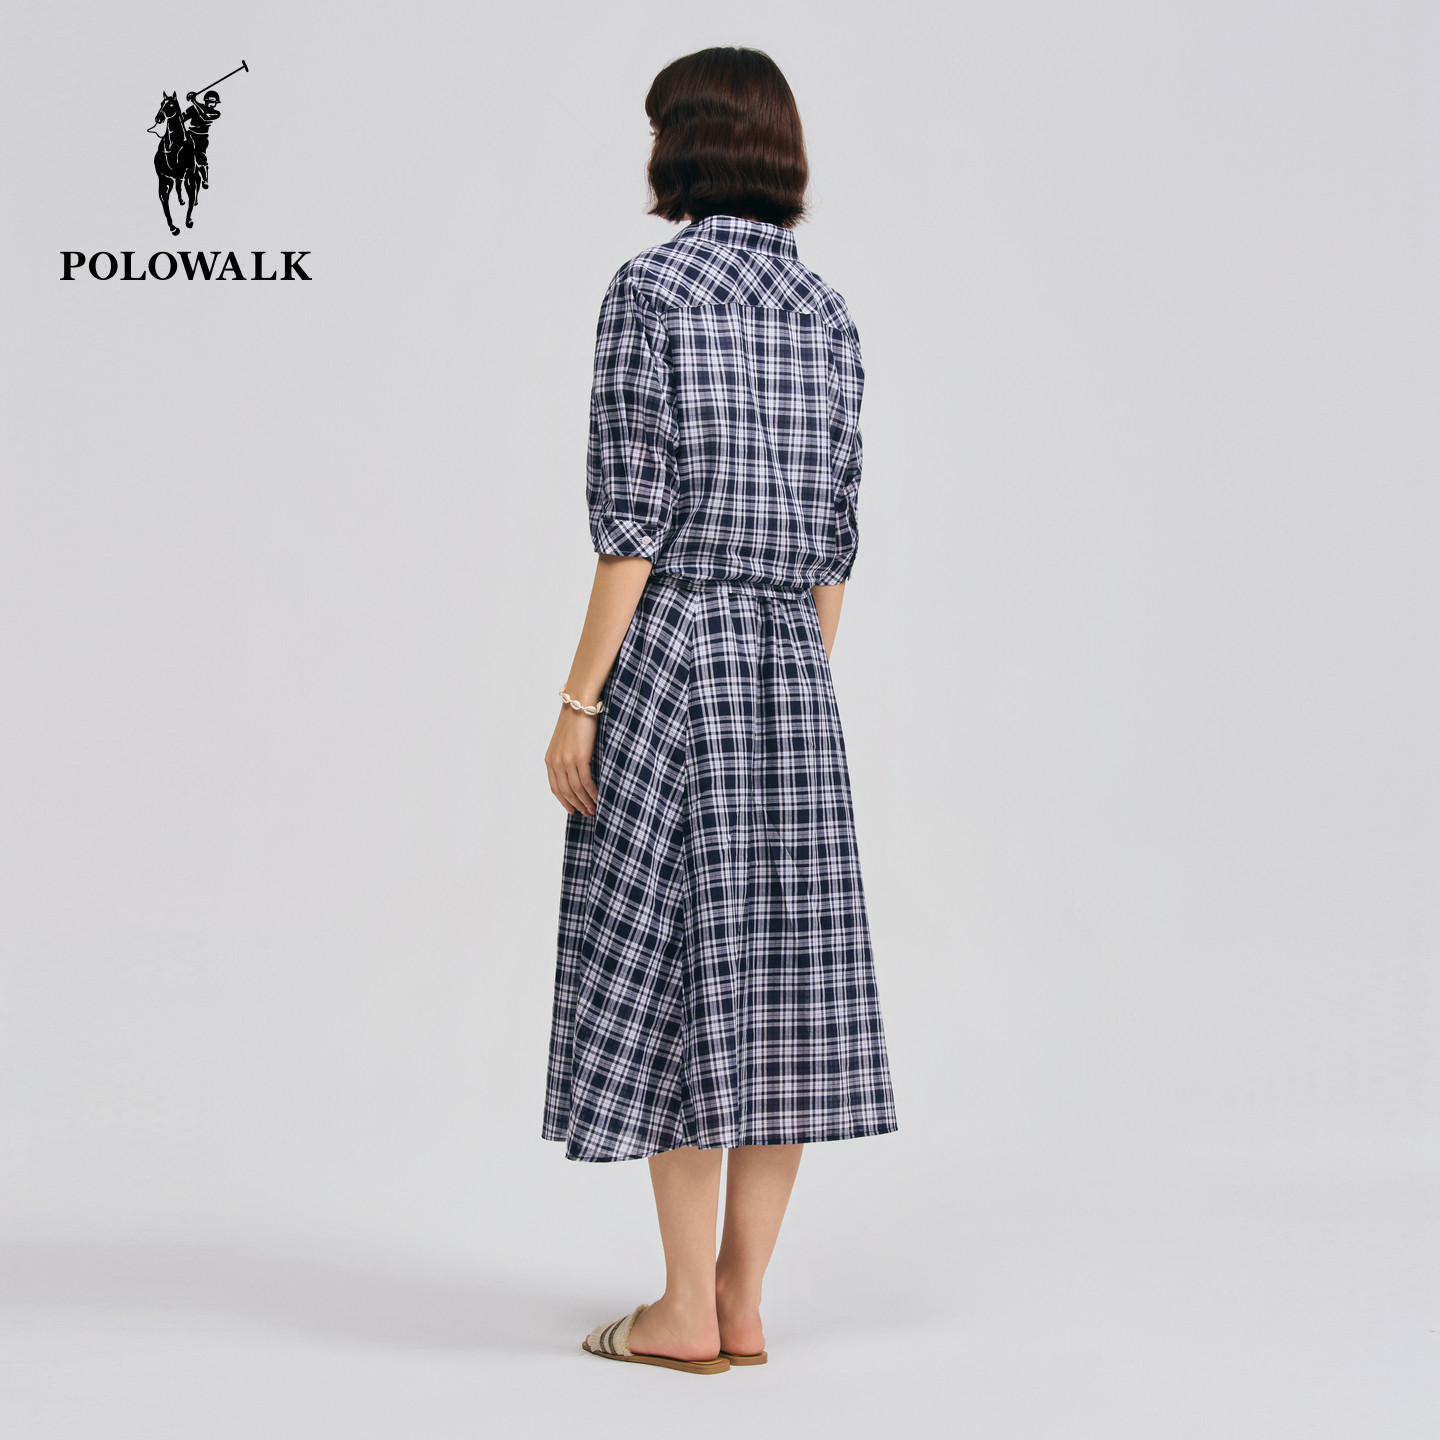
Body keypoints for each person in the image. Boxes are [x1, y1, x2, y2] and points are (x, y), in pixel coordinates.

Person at [542, 46, 897, 1376]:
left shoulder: (651, 292)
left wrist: (580, 699)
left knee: (684, 976)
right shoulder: (828, 312)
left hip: (676, 653)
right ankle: (743, 1303)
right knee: (786, 981)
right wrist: (796, 679)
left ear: (680, 145)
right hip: (794, 670)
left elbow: (631, 525)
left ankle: (684, 1308)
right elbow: (835, 542)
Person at [182, 90, 220, 188]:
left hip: (201, 138)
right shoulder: (194, 108)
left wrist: (194, 101)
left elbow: (205, 116)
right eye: (212, 102)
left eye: (215, 102)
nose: (213, 104)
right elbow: (182, 118)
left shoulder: (216, 113)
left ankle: (204, 179)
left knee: (200, 157)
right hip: (190, 134)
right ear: (206, 101)